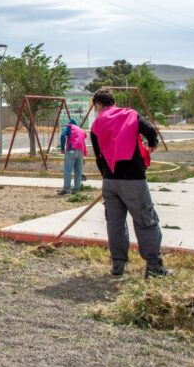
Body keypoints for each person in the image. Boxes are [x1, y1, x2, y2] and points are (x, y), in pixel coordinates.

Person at [90, 89, 171, 278]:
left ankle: (118, 266)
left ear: (98, 105)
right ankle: (154, 266)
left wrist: (108, 176)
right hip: (133, 178)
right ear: (113, 101)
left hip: (110, 179)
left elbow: (98, 155)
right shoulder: (130, 114)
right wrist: (152, 144)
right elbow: (150, 130)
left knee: (115, 223)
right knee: (145, 220)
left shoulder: (96, 124)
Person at [58, 118, 87, 195]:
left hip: (71, 150)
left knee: (68, 171)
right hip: (80, 152)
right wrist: (84, 155)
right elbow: (84, 143)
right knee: (78, 172)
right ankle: (76, 190)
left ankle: (67, 189)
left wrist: (62, 148)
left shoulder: (68, 126)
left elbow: (62, 135)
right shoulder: (81, 130)